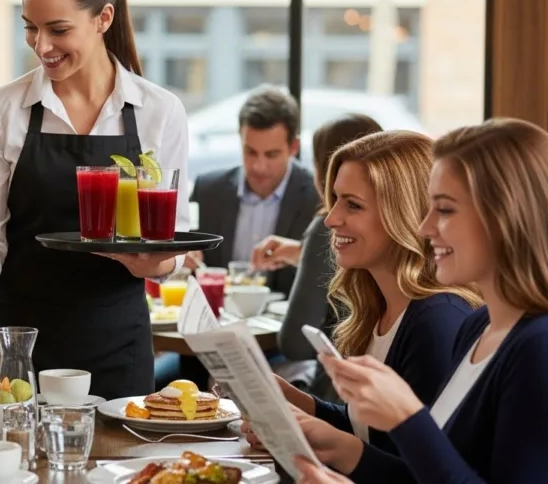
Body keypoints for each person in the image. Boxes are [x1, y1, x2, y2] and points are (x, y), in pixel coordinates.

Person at [0, 0, 190, 400]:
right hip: (15, 345)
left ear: (103, 18)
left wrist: (152, 262)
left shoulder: (160, 111)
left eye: (58, 29)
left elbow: (172, 241)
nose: (42, 46)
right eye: (30, 28)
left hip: (116, 344)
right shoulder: (4, 110)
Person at [308, 119, 548, 483]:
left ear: (504, 218)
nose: (424, 227)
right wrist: (342, 450)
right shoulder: (477, 326)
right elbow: (427, 473)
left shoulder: (537, 346)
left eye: (446, 210)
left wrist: (406, 419)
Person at [241, 131, 482, 470]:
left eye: (352, 205)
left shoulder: (437, 320)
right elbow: (371, 432)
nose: (330, 219)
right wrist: (298, 401)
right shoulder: (380, 307)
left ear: (405, 214)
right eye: (335, 199)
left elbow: (425, 473)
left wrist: (337, 448)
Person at [256, 114, 383, 398]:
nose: (333, 221)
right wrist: (302, 253)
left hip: (338, 392)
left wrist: (311, 250)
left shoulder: (327, 227)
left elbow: (295, 343)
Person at [189, 86, 320, 294]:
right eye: (250, 152)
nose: (259, 166)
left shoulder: (318, 197)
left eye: (271, 155)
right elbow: (185, 261)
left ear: (293, 148)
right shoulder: (208, 191)